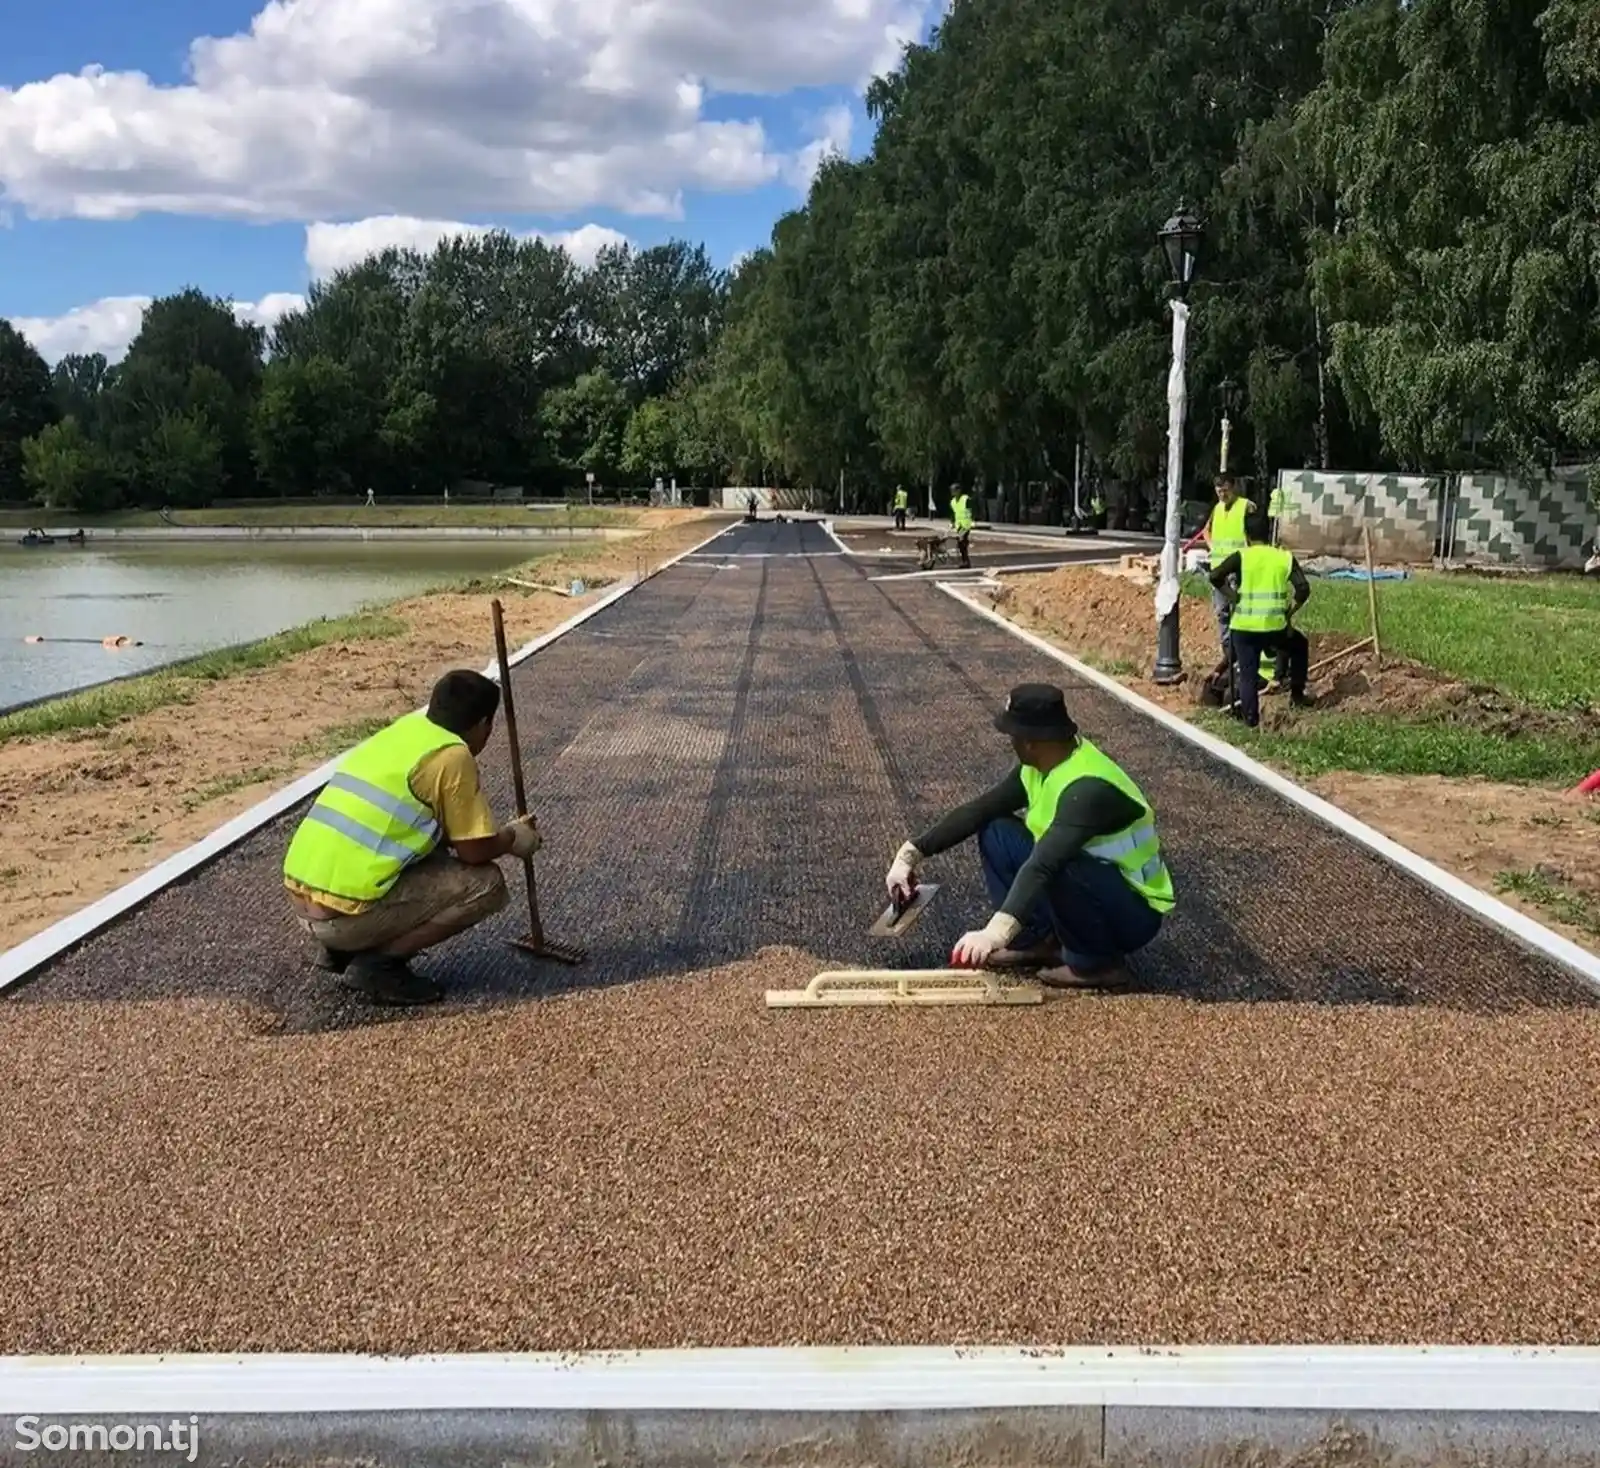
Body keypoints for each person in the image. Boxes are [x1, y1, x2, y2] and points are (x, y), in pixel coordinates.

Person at [884, 683, 1174, 989]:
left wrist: (994, 933)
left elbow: (1044, 864)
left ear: (1030, 742)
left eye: (1013, 737)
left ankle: (1095, 964)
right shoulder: (1040, 767)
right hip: (1093, 883)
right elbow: (980, 810)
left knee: (1058, 862)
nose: (1012, 743)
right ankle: (1035, 942)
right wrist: (911, 854)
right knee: (996, 828)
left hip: (1132, 912)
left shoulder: (1089, 788)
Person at [281, 670, 541, 1005]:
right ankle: (378, 965)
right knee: (486, 884)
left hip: (305, 903)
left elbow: (437, 834)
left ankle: (338, 951)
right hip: (345, 920)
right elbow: (473, 851)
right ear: (483, 724)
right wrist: (513, 838)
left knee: (431, 853)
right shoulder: (452, 756)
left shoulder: (405, 732)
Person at [1208, 510, 1313, 728]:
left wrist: (1232, 596)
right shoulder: (1284, 557)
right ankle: (1297, 694)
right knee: (1299, 645)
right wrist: (1290, 612)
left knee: (1247, 675)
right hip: (1275, 628)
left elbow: (1215, 576)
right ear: (1271, 534)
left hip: (1244, 628)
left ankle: (1250, 720)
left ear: (1246, 535)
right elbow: (1303, 589)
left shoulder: (1241, 556)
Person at [949, 483, 974, 568]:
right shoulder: (953, 502)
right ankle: (965, 561)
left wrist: (973, 520)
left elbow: (971, 509)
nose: (953, 492)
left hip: (966, 524)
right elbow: (953, 513)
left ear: (959, 491)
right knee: (961, 544)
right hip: (958, 525)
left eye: (955, 490)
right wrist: (952, 522)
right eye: (952, 491)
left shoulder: (965, 499)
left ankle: (966, 562)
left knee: (962, 542)